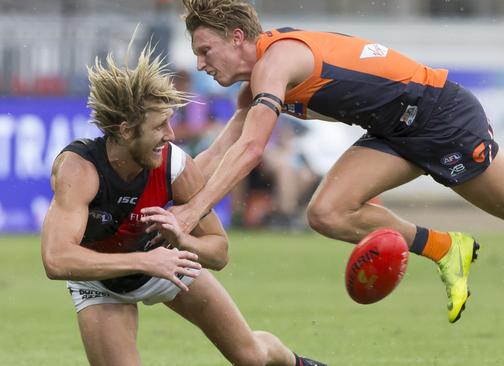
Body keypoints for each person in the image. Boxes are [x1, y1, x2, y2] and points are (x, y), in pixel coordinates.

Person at [172, 0, 504, 323]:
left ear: (237, 37)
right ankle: (446, 248)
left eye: (204, 50)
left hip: (441, 114)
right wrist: (164, 194)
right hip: (394, 130)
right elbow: (216, 154)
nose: (200, 63)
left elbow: (251, 150)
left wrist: (193, 215)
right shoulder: (257, 80)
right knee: (327, 213)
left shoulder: (277, 62)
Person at [40, 41, 326, 366]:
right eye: (159, 126)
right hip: (103, 282)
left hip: (167, 266)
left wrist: (182, 239)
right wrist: (144, 261)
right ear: (124, 130)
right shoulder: (80, 169)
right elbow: (56, 260)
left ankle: (294, 362)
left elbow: (219, 253)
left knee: (252, 358)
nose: (171, 134)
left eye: (170, 122)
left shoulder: (175, 165)